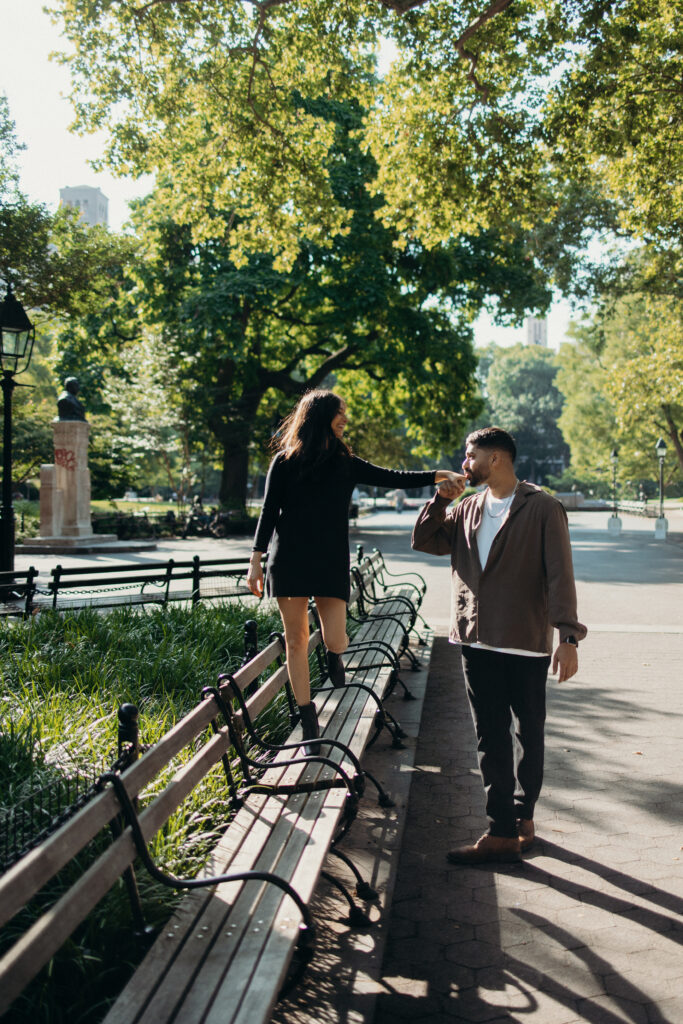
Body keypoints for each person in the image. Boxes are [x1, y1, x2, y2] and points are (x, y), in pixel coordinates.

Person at [247, 389, 460, 750]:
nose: (346, 419)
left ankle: (333, 656)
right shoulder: (284, 462)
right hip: (289, 561)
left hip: (330, 559)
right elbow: (268, 513)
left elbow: (393, 477)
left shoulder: (345, 462)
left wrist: (437, 474)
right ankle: (307, 716)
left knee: (337, 638)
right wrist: (256, 560)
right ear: (320, 416)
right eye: (340, 413)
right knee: (296, 641)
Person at [412, 426, 587, 864]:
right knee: (491, 737)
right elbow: (425, 541)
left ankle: (522, 816)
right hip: (476, 639)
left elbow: (560, 575)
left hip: (526, 641)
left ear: (496, 459)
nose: (463, 463)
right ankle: (501, 830)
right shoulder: (466, 508)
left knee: (530, 733)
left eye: (469, 456)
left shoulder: (543, 507)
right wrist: (440, 501)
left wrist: (568, 637)